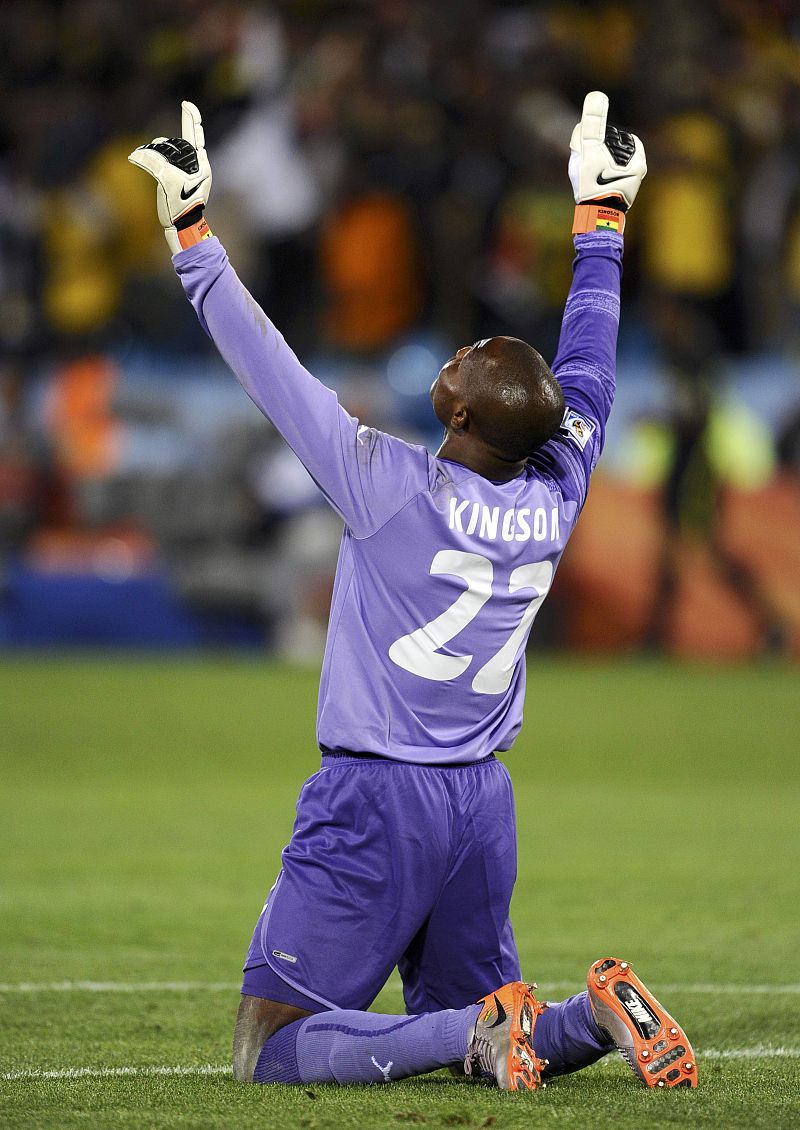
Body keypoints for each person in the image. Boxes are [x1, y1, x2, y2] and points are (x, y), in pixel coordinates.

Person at [129, 93, 697, 1092]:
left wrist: (193, 239)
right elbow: (588, 371)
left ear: (464, 415)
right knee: (487, 1030)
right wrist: (602, 221)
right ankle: (595, 1016)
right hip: (479, 801)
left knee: (271, 1048)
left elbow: (273, 374)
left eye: (469, 363)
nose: (456, 355)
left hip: (375, 795)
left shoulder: (390, 487)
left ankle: (471, 1032)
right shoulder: (557, 488)